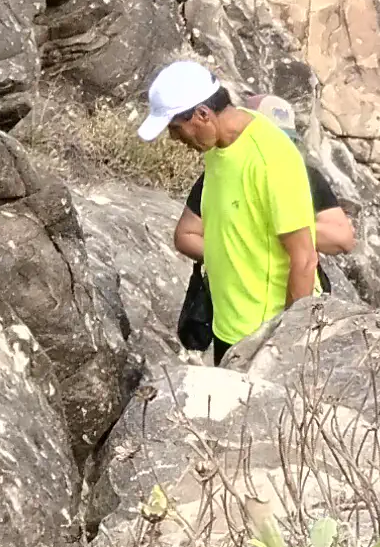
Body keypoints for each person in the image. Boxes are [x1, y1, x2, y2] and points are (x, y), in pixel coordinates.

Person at [137, 57, 322, 353]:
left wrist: (288, 349)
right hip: (228, 327)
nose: (173, 138)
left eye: (175, 127)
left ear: (202, 114)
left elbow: (304, 260)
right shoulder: (220, 145)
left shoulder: (271, 159)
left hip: (263, 337)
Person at [168, 87, 358, 354]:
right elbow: (186, 234)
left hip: (265, 330)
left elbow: (325, 248)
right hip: (229, 324)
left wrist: (279, 226)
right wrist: (239, 247)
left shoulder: (282, 166)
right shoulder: (220, 152)